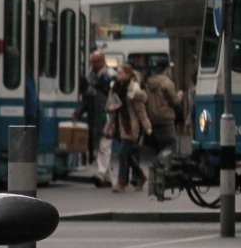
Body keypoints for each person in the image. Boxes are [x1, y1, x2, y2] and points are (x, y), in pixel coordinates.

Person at [107, 62, 151, 193]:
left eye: (120, 73)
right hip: (120, 125)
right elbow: (110, 105)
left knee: (121, 153)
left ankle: (121, 183)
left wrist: (147, 127)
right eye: (118, 72)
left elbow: (141, 111)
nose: (118, 75)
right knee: (128, 155)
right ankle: (142, 176)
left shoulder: (133, 89)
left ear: (127, 74)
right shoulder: (116, 87)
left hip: (131, 126)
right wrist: (110, 108)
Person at [74, 50, 114, 187]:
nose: (93, 64)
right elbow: (86, 99)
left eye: (95, 61)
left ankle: (101, 174)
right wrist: (78, 112)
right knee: (99, 146)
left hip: (108, 116)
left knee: (104, 145)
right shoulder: (89, 78)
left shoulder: (111, 76)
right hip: (94, 116)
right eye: (92, 61)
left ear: (102, 61)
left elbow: (116, 99)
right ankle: (107, 177)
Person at [145, 58, 185, 166]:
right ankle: (157, 162)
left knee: (161, 146)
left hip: (153, 118)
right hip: (166, 118)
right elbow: (175, 101)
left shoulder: (150, 82)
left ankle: (161, 170)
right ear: (167, 68)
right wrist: (180, 95)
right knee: (172, 144)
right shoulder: (167, 82)